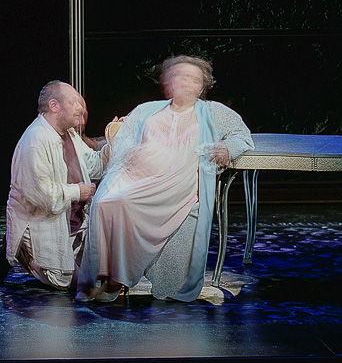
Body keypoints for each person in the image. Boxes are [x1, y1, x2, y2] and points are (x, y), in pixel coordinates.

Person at [75, 55, 253, 303]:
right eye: (180, 76)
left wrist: (226, 149)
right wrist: (131, 151)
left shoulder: (213, 112)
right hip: (138, 174)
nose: (185, 83)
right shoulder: (147, 109)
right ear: (167, 82)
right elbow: (125, 139)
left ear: (201, 86)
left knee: (124, 202)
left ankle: (117, 280)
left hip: (177, 181)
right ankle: (104, 276)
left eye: (193, 79)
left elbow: (242, 136)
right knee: (105, 203)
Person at [0, 80, 106, 290]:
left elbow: (94, 165)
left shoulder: (70, 134)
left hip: (72, 223)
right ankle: (19, 249)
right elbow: (43, 196)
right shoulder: (35, 141)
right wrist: (78, 192)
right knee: (71, 284)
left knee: (100, 273)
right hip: (43, 222)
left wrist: (115, 140)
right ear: (54, 106)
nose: (80, 108)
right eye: (73, 102)